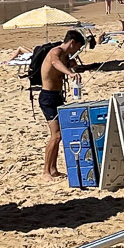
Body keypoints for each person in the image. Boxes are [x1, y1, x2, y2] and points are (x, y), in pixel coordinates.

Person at [39, 31, 86, 178]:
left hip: (58, 96)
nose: (77, 50)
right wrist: (70, 73)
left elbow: (67, 66)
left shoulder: (66, 57)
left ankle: (53, 169)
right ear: (72, 42)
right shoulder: (56, 51)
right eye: (78, 46)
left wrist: (73, 68)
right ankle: (46, 171)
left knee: (60, 135)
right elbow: (54, 62)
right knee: (56, 135)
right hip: (48, 97)